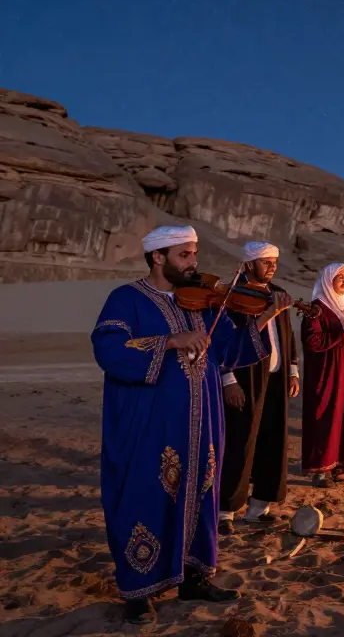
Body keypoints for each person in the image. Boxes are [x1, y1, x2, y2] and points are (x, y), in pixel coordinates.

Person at [91, 226, 289, 624]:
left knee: (201, 494)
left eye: (194, 253)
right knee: (145, 497)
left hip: (203, 422)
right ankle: (139, 593)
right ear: (158, 257)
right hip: (149, 425)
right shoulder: (126, 299)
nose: (194, 262)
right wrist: (169, 341)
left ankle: (195, 578)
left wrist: (267, 313)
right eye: (185, 255)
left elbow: (229, 352)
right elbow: (108, 348)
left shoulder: (205, 304)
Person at [217, 242, 299, 535]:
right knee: (240, 443)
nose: (271, 266)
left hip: (275, 378)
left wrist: (292, 370)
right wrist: (228, 380)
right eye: (265, 262)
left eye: (274, 261)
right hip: (245, 377)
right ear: (249, 264)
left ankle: (258, 507)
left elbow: (288, 336)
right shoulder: (231, 296)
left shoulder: (277, 294)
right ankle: (225, 511)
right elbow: (222, 342)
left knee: (272, 442)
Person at [301, 263, 344, 488]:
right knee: (326, 415)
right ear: (328, 279)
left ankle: (341, 466)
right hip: (327, 372)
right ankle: (321, 471)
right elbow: (312, 341)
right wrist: (343, 335)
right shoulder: (317, 308)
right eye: (339, 277)